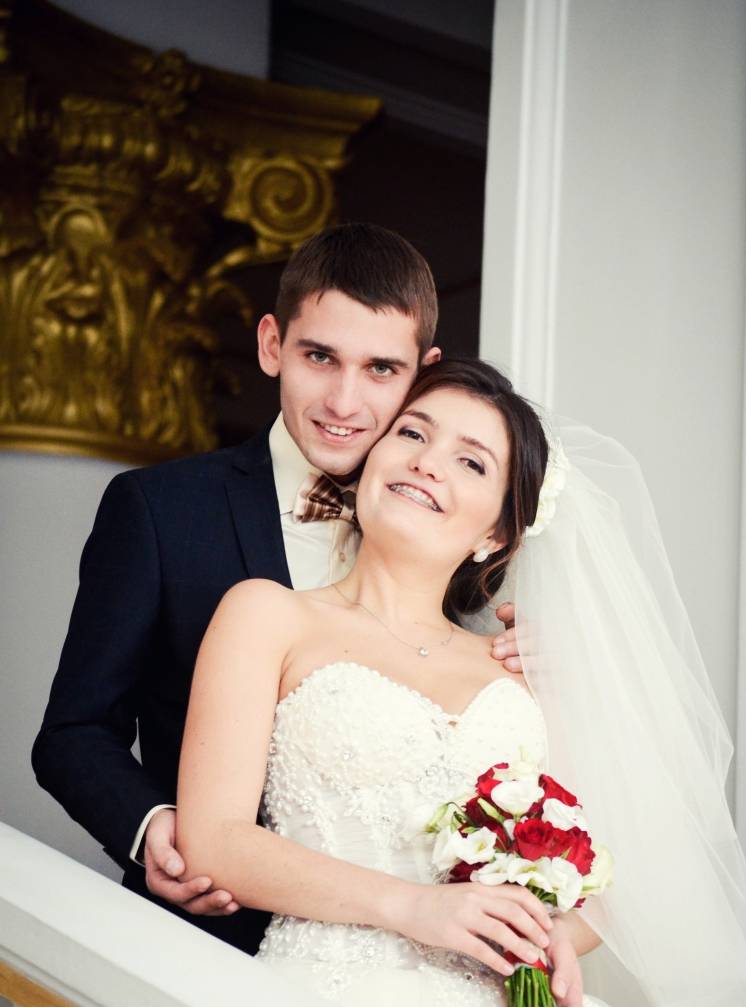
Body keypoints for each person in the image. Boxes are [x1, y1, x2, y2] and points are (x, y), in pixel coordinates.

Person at [176, 358, 746, 1007]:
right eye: (412, 433)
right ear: (370, 459)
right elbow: (214, 838)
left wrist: (549, 947)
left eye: (470, 461)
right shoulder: (266, 612)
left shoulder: (522, 673)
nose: (427, 462)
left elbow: (596, 877)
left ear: (497, 533)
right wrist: (414, 907)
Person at [30, 224, 526, 957]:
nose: (344, 400)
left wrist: (538, 661)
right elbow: (73, 733)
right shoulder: (161, 510)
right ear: (272, 345)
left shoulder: (449, 525)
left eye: (381, 369)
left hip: (405, 953)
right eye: (319, 356)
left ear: (421, 375)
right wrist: (151, 827)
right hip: (204, 931)